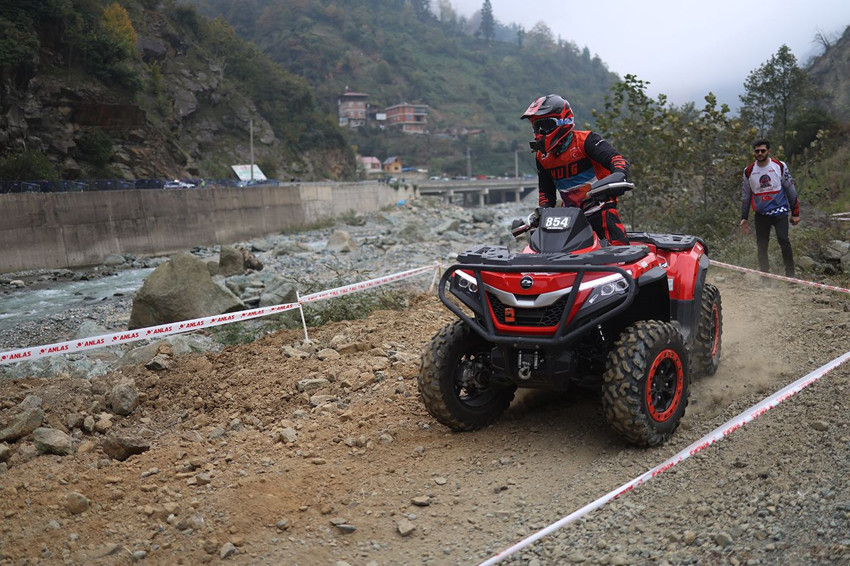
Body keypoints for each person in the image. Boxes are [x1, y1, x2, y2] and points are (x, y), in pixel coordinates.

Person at [521, 94, 631, 245]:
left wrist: (619, 175)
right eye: (536, 127)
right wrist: (542, 210)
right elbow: (546, 191)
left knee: (620, 253)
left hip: (600, 210)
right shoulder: (542, 156)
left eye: (545, 125)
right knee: (552, 259)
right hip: (568, 219)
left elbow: (617, 159)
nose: (540, 132)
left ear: (563, 121)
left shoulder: (587, 141)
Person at [739, 139, 800, 277]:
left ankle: (790, 275)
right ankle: (765, 276)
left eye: (763, 150)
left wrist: (795, 213)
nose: (760, 153)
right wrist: (744, 217)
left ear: (769, 151)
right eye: (757, 151)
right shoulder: (748, 171)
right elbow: (745, 196)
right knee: (762, 246)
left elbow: (791, 189)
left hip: (780, 211)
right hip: (761, 214)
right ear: (753, 152)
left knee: (783, 240)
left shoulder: (779, 166)